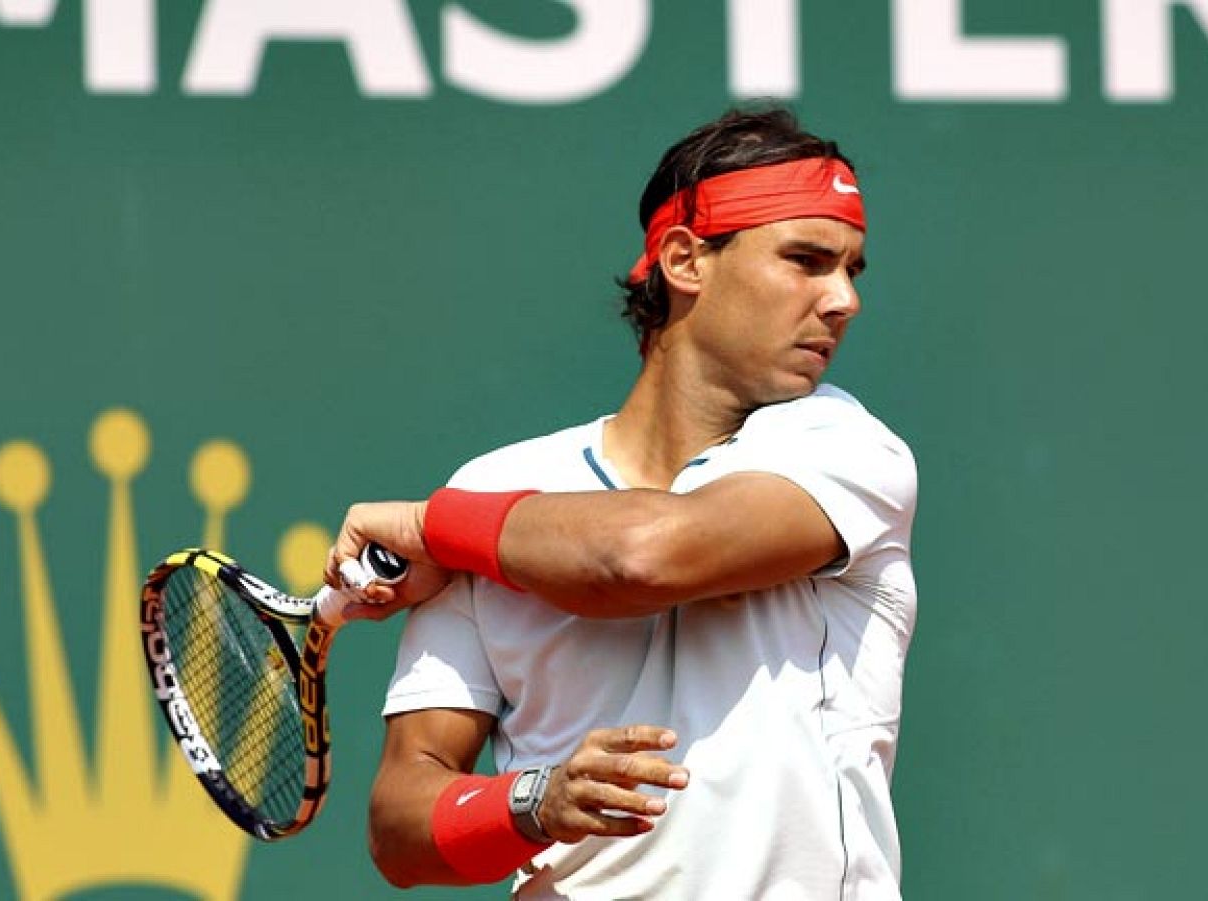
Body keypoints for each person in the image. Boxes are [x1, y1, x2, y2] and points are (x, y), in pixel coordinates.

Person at [325, 107, 918, 899]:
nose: (843, 299)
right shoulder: (490, 496)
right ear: (684, 260)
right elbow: (400, 831)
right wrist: (535, 804)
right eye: (807, 261)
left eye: (852, 269)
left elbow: (639, 557)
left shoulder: (847, 449)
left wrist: (432, 526)